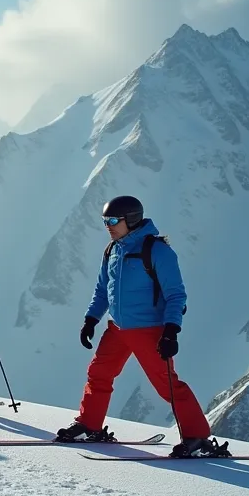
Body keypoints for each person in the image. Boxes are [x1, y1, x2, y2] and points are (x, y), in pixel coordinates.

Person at [55, 195, 221, 458]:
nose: (107, 225)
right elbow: (102, 289)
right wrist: (91, 319)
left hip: (149, 330)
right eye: (104, 220)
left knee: (167, 385)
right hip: (117, 329)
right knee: (98, 374)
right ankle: (89, 425)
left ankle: (198, 438)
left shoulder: (157, 251)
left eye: (112, 220)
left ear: (130, 220)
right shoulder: (112, 250)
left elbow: (176, 294)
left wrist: (171, 330)